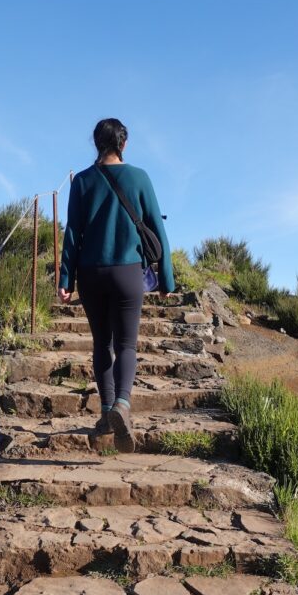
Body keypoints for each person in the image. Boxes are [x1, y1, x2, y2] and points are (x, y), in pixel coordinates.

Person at [58, 118, 176, 451]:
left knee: (101, 344)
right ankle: (123, 404)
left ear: (97, 144)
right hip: (128, 272)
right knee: (126, 345)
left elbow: (72, 234)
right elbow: (157, 229)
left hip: (91, 273)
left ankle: (107, 410)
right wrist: (166, 278)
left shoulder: (82, 181)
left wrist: (65, 279)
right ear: (123, 144)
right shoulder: (140, 178)